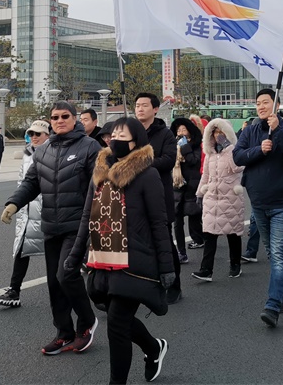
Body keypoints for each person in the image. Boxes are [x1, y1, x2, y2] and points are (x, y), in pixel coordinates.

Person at [66, 118, 173, 385]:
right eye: (112, 135)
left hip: (135, 260)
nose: (114, 140)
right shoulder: (100, 174)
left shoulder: (147, 175)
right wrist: (75, 254)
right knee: (119, 319)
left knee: (116, 323)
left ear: (136, 142)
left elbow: (159, 223)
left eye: (122, 136)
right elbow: (87, 217)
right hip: (103, 258)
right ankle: (153, 347)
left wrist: (167, 266)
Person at [2, 102, 100, 355]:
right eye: (55, 117)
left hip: (78, 225)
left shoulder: (90, 147)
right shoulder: (43, 150)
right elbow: (31, 182)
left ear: (74, 119)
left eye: (65, 116)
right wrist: (13, 203)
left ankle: (87, 322)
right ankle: (63, 332)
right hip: (51, 225)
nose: (59, 120)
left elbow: (98, 188)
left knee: (66, 275)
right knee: (55, 283)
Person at [233, 89, 283, 328]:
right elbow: (238, 156)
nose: (261, 106)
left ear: (277, 105)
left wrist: (278, 131)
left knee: (280, 255)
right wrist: (259, 150)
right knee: (273, 254)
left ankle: (273, 306)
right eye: (258, 103)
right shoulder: (250, 130)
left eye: (266, 102)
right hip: (259, 203)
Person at [0, 120, 50, 308]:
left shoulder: (54, 153)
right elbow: (22, 182)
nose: (34, 137)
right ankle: (14, 291)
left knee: (58, 253)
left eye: (38, 134)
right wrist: (15, 204)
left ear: (48, 135)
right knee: (21, 249)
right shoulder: (27, 154)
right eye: (31, 133)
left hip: (48, 211)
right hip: (27, 211)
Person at [134, 93, 182, 304]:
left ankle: (174, 286)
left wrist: (139, 163)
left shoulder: (165, 134)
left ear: (155, 109)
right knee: (140, 242)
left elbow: (168, 160)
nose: (140, 109)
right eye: (137, 105)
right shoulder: (131, 132)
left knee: (165, 243)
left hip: (159, 196)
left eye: (144, 105)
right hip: (135, 197)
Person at [193, 118, 245, 280]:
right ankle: (206, 270)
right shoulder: (210, 154)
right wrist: (199, 193)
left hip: (230, 197)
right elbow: (206, 176)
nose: (218, 135)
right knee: (209, 234)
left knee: (233, 233)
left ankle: (235, 265)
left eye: (221, 132)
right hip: (212, 198)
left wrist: (228, 147)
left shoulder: (234, 150)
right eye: (215, 132)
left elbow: (238, 167)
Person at [170, 117, 204, 260]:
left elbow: (193, 161)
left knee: (193, 215)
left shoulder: (196, 145)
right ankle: (181, 252)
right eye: (178, 130)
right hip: (177, 186)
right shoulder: (173, 145)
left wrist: (185, 147)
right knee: (177, 221)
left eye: (184, 129)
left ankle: (199, 239)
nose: (181, 132)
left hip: (191, 186)